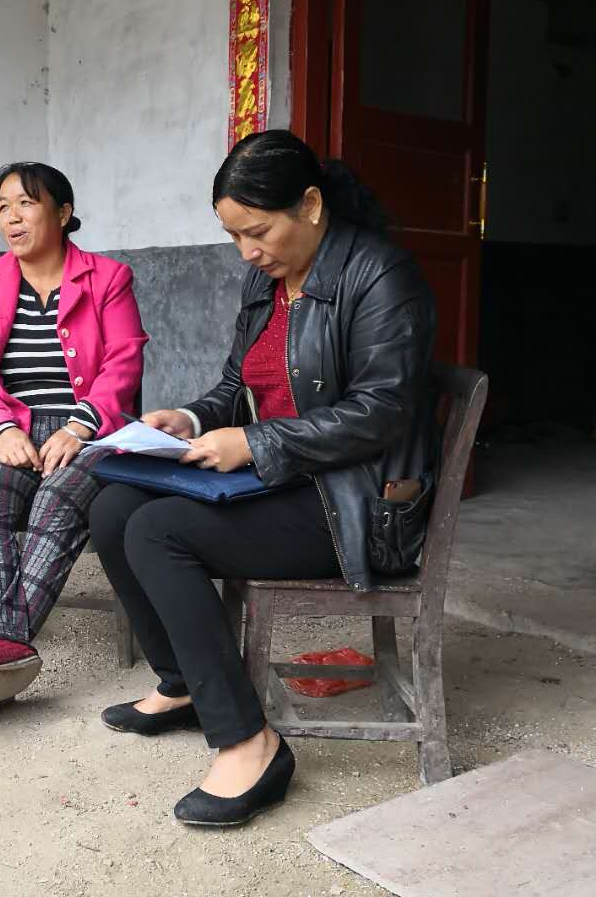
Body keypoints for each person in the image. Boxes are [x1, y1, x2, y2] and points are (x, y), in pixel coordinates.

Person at [88, 129, 437, 825]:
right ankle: (185, 683)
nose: (247, 251)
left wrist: (253, 441)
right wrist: (191, 418)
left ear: (310, 205)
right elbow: (236, 384)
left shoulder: (381, 277)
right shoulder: (268, 280)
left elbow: (383, 412)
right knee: (113, 506)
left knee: (159, 531)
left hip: (356, 504)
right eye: (234, 236)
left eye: (257, 231)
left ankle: (250, 744)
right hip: (285, 479)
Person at [0, 163, 147, 724]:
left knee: (57, 501)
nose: (12, 218)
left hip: (90, 432)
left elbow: (123, 363)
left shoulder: (108, 278)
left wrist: (79, 427)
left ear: (63, 213)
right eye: (3, 207)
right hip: (14, 428)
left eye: (26, 203)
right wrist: (0, 429)